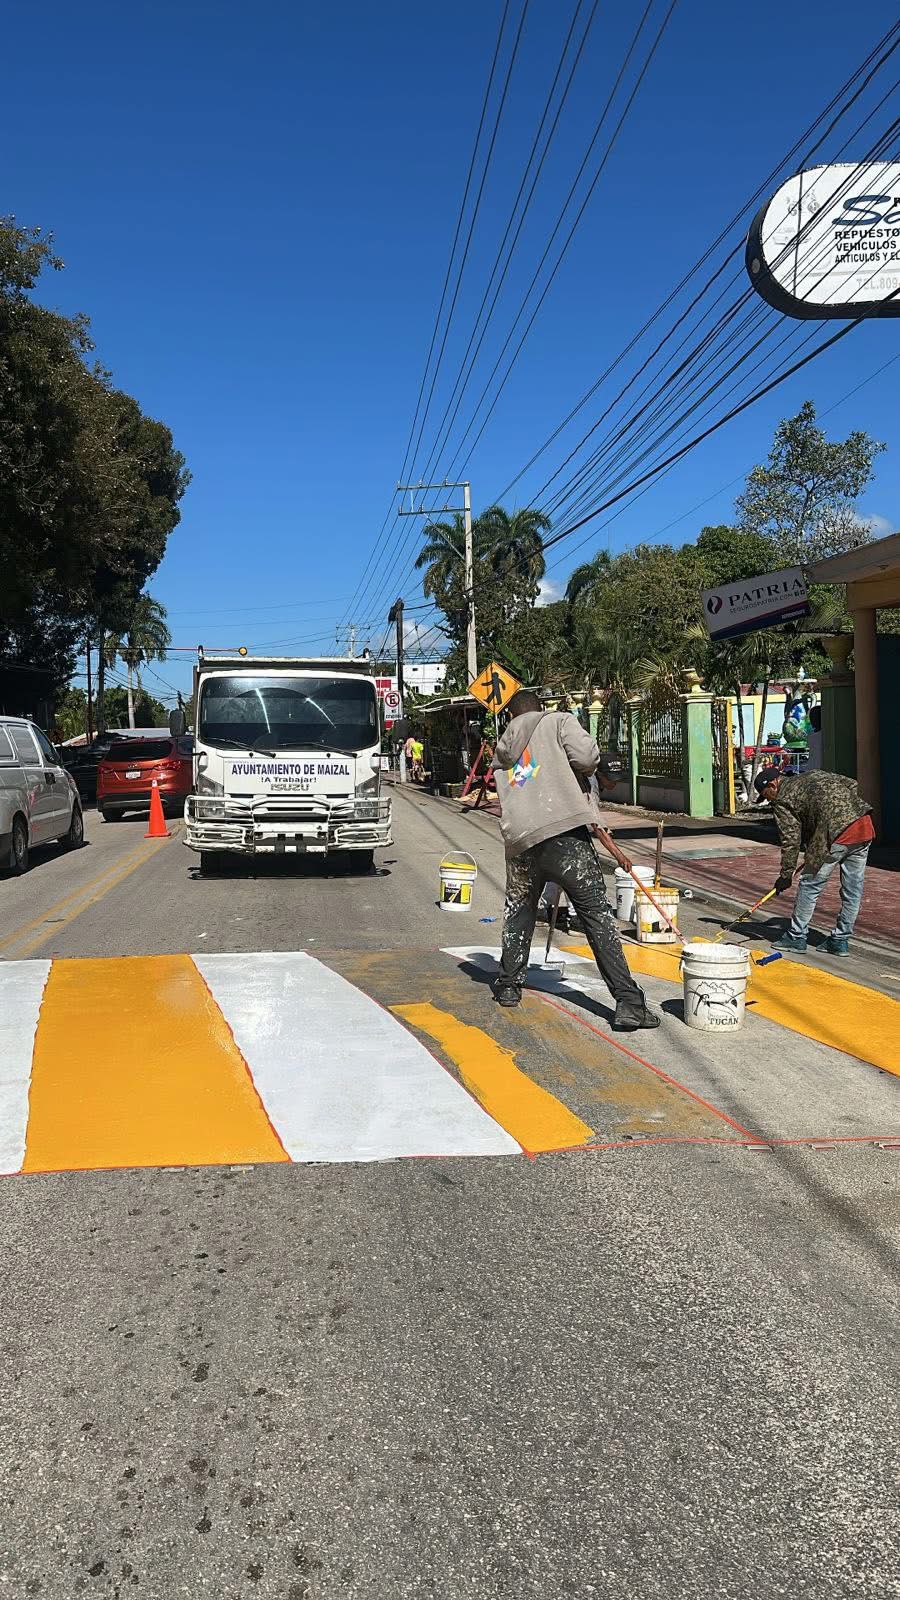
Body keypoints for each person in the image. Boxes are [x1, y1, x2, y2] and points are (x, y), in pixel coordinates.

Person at [490, 689, 659, 1030]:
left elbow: (514, 781)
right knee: (597, 916)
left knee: (519, 912)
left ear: (512, 715)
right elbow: (587, 759)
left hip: (521, 840)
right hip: (564, 832)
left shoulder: (506, 742)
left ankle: (508, 985)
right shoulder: (558, 722)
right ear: (540, 708)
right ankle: (628, 1003)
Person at [754, 766, 874, 956]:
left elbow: (791, 840)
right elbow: (853, 784)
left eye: (766, 796)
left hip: (833, 835)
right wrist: (836, 810)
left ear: (773, 785)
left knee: (810, 885)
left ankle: (796, 937)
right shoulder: (815, 773)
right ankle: (840, 940)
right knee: (853, 889)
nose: (769, 801)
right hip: (863, 826)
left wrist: (786, 875)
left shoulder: (782, 799)